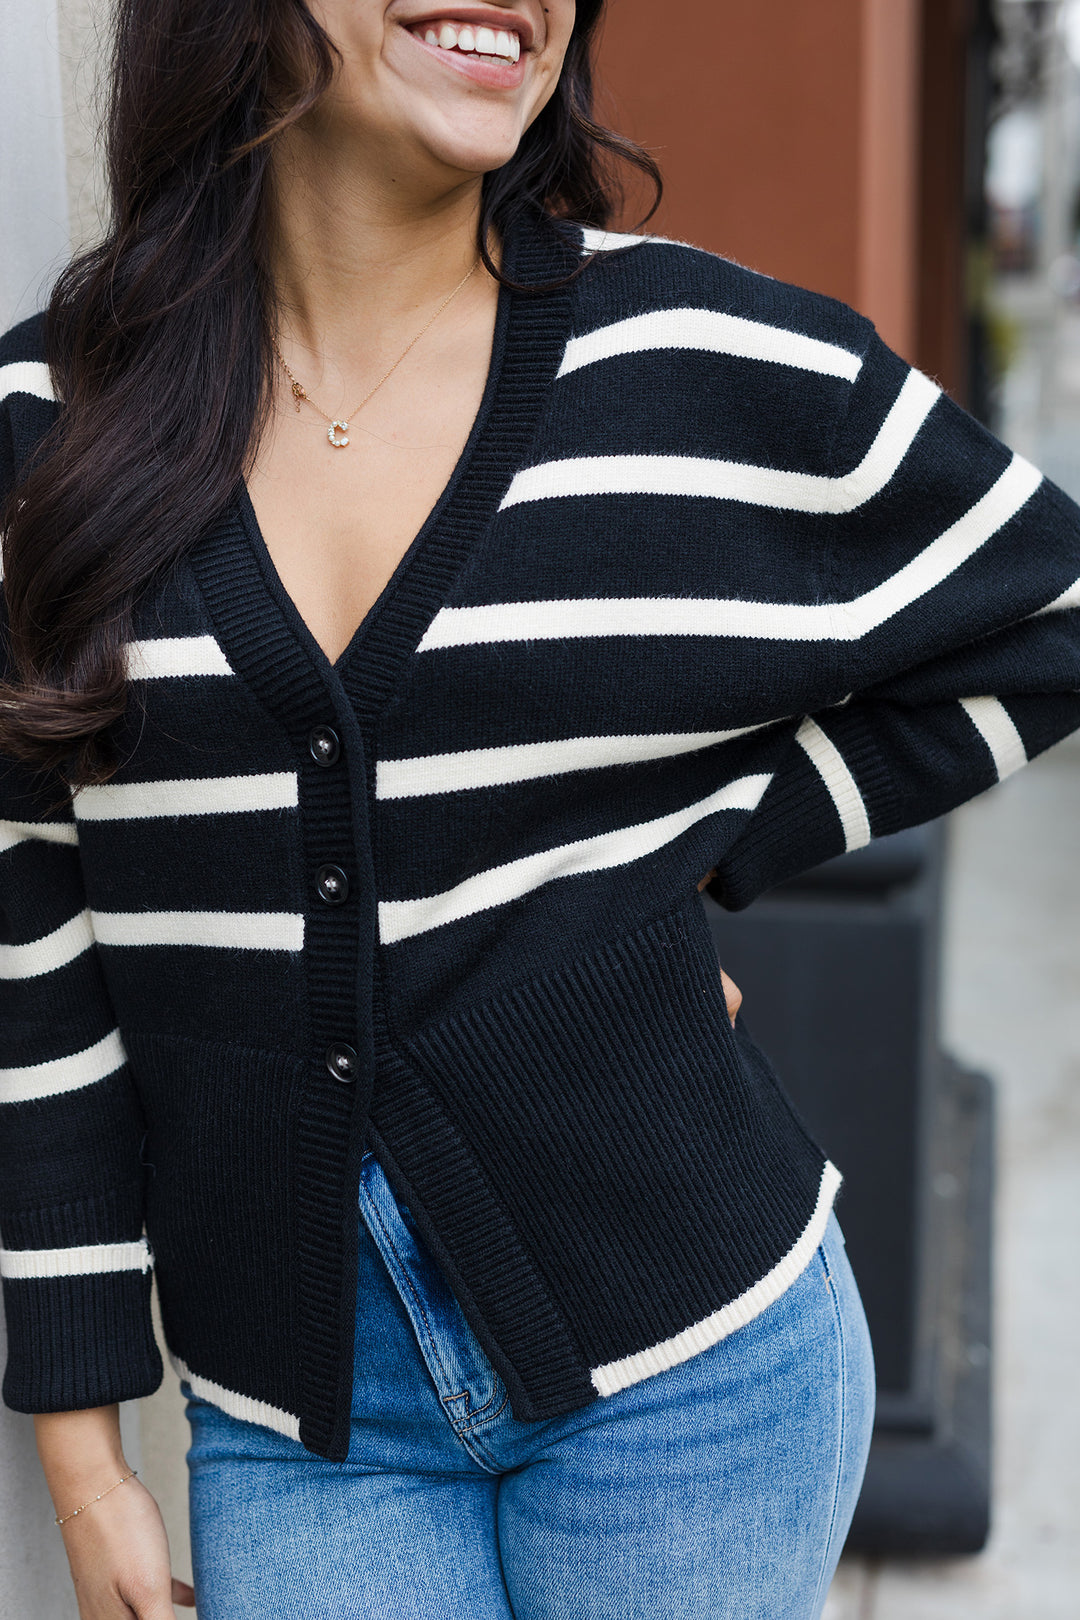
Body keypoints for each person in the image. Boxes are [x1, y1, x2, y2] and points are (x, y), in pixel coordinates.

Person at [1, 2, 1079, 1616]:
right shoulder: (53, 431)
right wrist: (86, 1465)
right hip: (302, 1430)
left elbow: (1045, 616)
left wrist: (681, 870)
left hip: (701, 1381)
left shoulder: (698, 366)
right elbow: (35, 947)